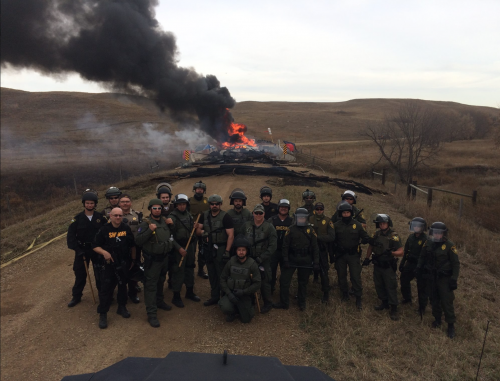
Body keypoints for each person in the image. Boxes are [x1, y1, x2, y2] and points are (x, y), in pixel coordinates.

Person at [93, 208, 136, 329]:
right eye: (115, 215)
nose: (118, 217)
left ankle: (122, 307)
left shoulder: (126, 228)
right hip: (109, 265)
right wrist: (103, 252)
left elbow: (132, 245)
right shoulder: (104, 229)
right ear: (110, 216)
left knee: (122, 286)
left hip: (123, 263)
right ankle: (103, 314)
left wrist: (133, 260)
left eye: (120, 215)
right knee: (106, 289)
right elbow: (94, 246)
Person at [416, 222, 460, 339]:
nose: (436, 235)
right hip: (431, 277)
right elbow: (422, 256)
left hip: (444, 278)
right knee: (434, 298)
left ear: (444, 234)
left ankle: (450, 324)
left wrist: (454, 279)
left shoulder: (449, 246)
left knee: (446, 301)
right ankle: (437, 319)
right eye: (435, 233)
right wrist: (419, 267)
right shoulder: (428, 243)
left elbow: (456, 264)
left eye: (439, 233)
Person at [135, 199, 174, 328]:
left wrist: (171, 225)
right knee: (150, 285)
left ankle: (159, 301)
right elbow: (138, 240)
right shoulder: (145, 223)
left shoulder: (164, 220)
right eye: (155, 208)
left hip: (164, 258)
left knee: (161, 280)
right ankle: (151, 313)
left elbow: (169, 236)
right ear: (150, 209)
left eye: (159, 208)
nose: (157, 210)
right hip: (152, 260)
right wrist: (149, 230)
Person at [273, 208, 319, 311]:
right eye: (300, 217)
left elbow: (315, 247)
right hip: (292, 258)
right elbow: (285, 246)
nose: (301, 219)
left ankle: (301, 303)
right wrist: (285, 260)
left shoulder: (310, 230)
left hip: (305, 259)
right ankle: (284, 302)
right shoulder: (291, 229)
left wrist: (316, 262)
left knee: (303, 282)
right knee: (284, 281)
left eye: (303, 218)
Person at [66, 189, 106, 307]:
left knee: (100, 274)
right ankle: (76, 296)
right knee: (80, 274)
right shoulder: (77, 219)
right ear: (84, 203)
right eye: (87, 203)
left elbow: (105, 233)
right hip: (82, 251)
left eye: (92, 203)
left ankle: (103, 295)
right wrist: (78, 250)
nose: (89, 205)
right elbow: (71, 237)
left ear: (95, 204)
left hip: (97, 250)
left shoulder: (101, 217)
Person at [196, 194, 235, 306]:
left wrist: (227, 251)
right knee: (211, 272)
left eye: (216, 204)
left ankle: (224, 297)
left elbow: (231, 235)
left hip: (221, 248)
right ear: (209, 205)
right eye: (212, 204)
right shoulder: (204, 215)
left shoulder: (225, 216)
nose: (214, 206)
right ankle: (214, 296)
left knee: (222, 274)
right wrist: (203, 232)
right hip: (208, 248)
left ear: (220, 204)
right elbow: (198, 230)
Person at [363, 214, 404, 320]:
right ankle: (384, 302)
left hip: (388, 265)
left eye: (384, 223)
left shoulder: (393, 236)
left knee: (390, 286)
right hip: (377, 264)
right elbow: (371, 247)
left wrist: (392, 253)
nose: (382, 225)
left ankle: (393, 307)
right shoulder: (376, 234)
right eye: (380, 223)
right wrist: (367, 258)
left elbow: (401, 251)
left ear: (388, 223)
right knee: (379, 284)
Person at [332, 202, 370, 310]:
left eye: (348, 212)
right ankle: (344, 294)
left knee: (355, 276)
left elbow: (365, 236)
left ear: (351, 213)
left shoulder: (357, 225)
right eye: (344, 212)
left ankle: (358, 297)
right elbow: (332, 239)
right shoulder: (336, 225)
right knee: (341, 275)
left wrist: (365, 239)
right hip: (340, 255)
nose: (346, 214)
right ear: (341, 213)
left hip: (353, 255)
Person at [242, 204, 278, 313]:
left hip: (263, 259)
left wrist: (261, 258)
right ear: (253, 213)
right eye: (256, 213)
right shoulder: (246, 225)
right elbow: (240, 240)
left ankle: (267, 303)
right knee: (248, 280)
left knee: (265, 281)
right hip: (248, 258)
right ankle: (250, 300)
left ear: (264, 214)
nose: (258, 215)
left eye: (260, 213)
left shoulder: (269, 227)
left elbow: (273, 246)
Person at [219, 236, 261, 323]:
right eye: (239, 250)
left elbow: (257, 283)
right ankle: (232, 312)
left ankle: (243, 309)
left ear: (247, 251)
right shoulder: (231, 262)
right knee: (225, 307)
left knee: (247, 319)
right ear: (235, 251)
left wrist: (244, 292)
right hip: (231, 293)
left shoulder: (252, 264)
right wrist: (229, 293)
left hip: (244, 294)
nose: (241, 252)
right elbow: (222, 279)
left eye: (243, 250)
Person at [169, 194, 201, 308]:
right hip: (179, 247)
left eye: (184, 204)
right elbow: (170, 237)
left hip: (190, 245)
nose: (182, 206)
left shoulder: (188, 214)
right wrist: (179, 248)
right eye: (179, 204)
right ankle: (176, 296)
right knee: (178, 270)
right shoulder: (172, 217)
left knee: (190, 268)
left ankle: (189, 292)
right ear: (176, 205)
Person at [399, 217, 428, 313]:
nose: (416, 228)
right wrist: (402, 263)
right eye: (414, 226)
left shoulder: (426, 240)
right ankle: (407, 298)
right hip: (410, 263)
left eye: (418, 226)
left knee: (421, 286)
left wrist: (420, 266)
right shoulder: (411, 238)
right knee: (403, 279)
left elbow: (425, 255)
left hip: (421, 266)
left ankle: (422, 307)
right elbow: (406, 251)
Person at [308, 202, 335, 303]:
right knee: (306, 269)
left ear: (323, 210)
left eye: (321, 209)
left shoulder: (328, 221)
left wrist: (318, 238)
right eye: (317, 209)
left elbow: (332, 237)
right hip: (310, 249)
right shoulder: (309, 219)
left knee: (324, 271)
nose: (319, 211)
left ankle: (326, 293)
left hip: (322, 249)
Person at [118, 194, 143, 304]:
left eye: (127, 201)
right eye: (123, 202)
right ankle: (121, 294)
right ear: (119, 204)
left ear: (131, 203)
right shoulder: (116, 215)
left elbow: (141, 230)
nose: (125, 203)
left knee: (134, 269)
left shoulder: (137, 215)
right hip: (120, 248)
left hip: (135, 247)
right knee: (121, 271)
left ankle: (133, 293)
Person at [268, 199, 293, 294]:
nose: (283, 209)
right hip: (273, 251)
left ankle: (283, 293)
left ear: (288, 209)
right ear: (278, 208)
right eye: (282, 207)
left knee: (285, 274)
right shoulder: (272, 220)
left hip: (286, 252)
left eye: (285, 207)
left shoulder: (292, 221)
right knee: (271, 272)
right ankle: (270, 291)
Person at [188, 180, 209, 279]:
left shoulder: (207, 201)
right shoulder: (189, 201)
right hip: (191, 229)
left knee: (202, 250)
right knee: (191, 250)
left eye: (201, 189)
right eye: (198, 189)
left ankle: (201, 270)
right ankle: (189, 269)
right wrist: (191, 224)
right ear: (194, 190)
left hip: (202, 229)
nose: (199, 191)